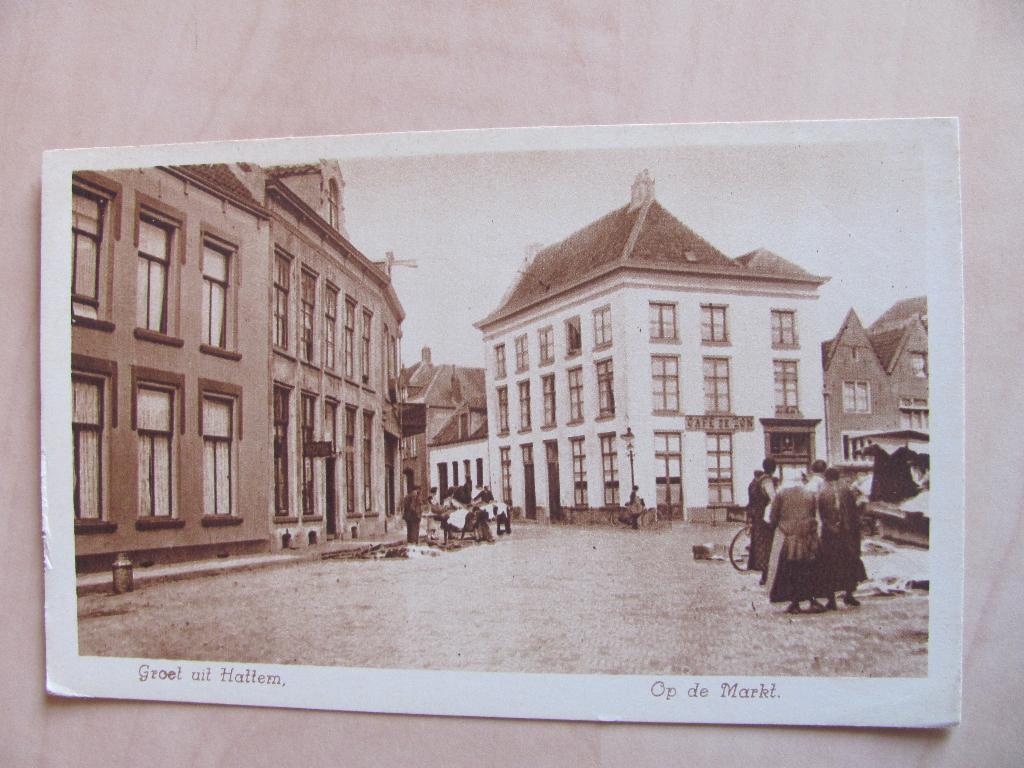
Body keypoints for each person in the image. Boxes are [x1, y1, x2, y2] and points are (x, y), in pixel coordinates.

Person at [766, 462, 828, 614]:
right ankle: (812, 600)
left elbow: (773, 516)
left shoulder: (782, 494)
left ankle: (794, 603)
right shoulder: (809, 494)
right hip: (808, 537)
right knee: (810, 569)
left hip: (790, 538)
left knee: (791, 570)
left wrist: (775, 528)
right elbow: (813, 514)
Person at [817, 467, 868, 609]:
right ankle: (849, 595)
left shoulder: (822, 491)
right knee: (849, 563)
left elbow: (820, 514)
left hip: (829, 533)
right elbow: (854, 512)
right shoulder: (846, 489)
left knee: (829, 565)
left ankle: (831, 599)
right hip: (847, 533)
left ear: (825, 477)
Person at [747, 459, 778, 584]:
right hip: (764, 516)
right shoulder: (767, 481)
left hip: (756, 516)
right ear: (774, 469)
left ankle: (764, 575)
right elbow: (773, 498)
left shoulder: (756, 481)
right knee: (768, 545)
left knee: (760, 545)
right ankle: (766, 576)